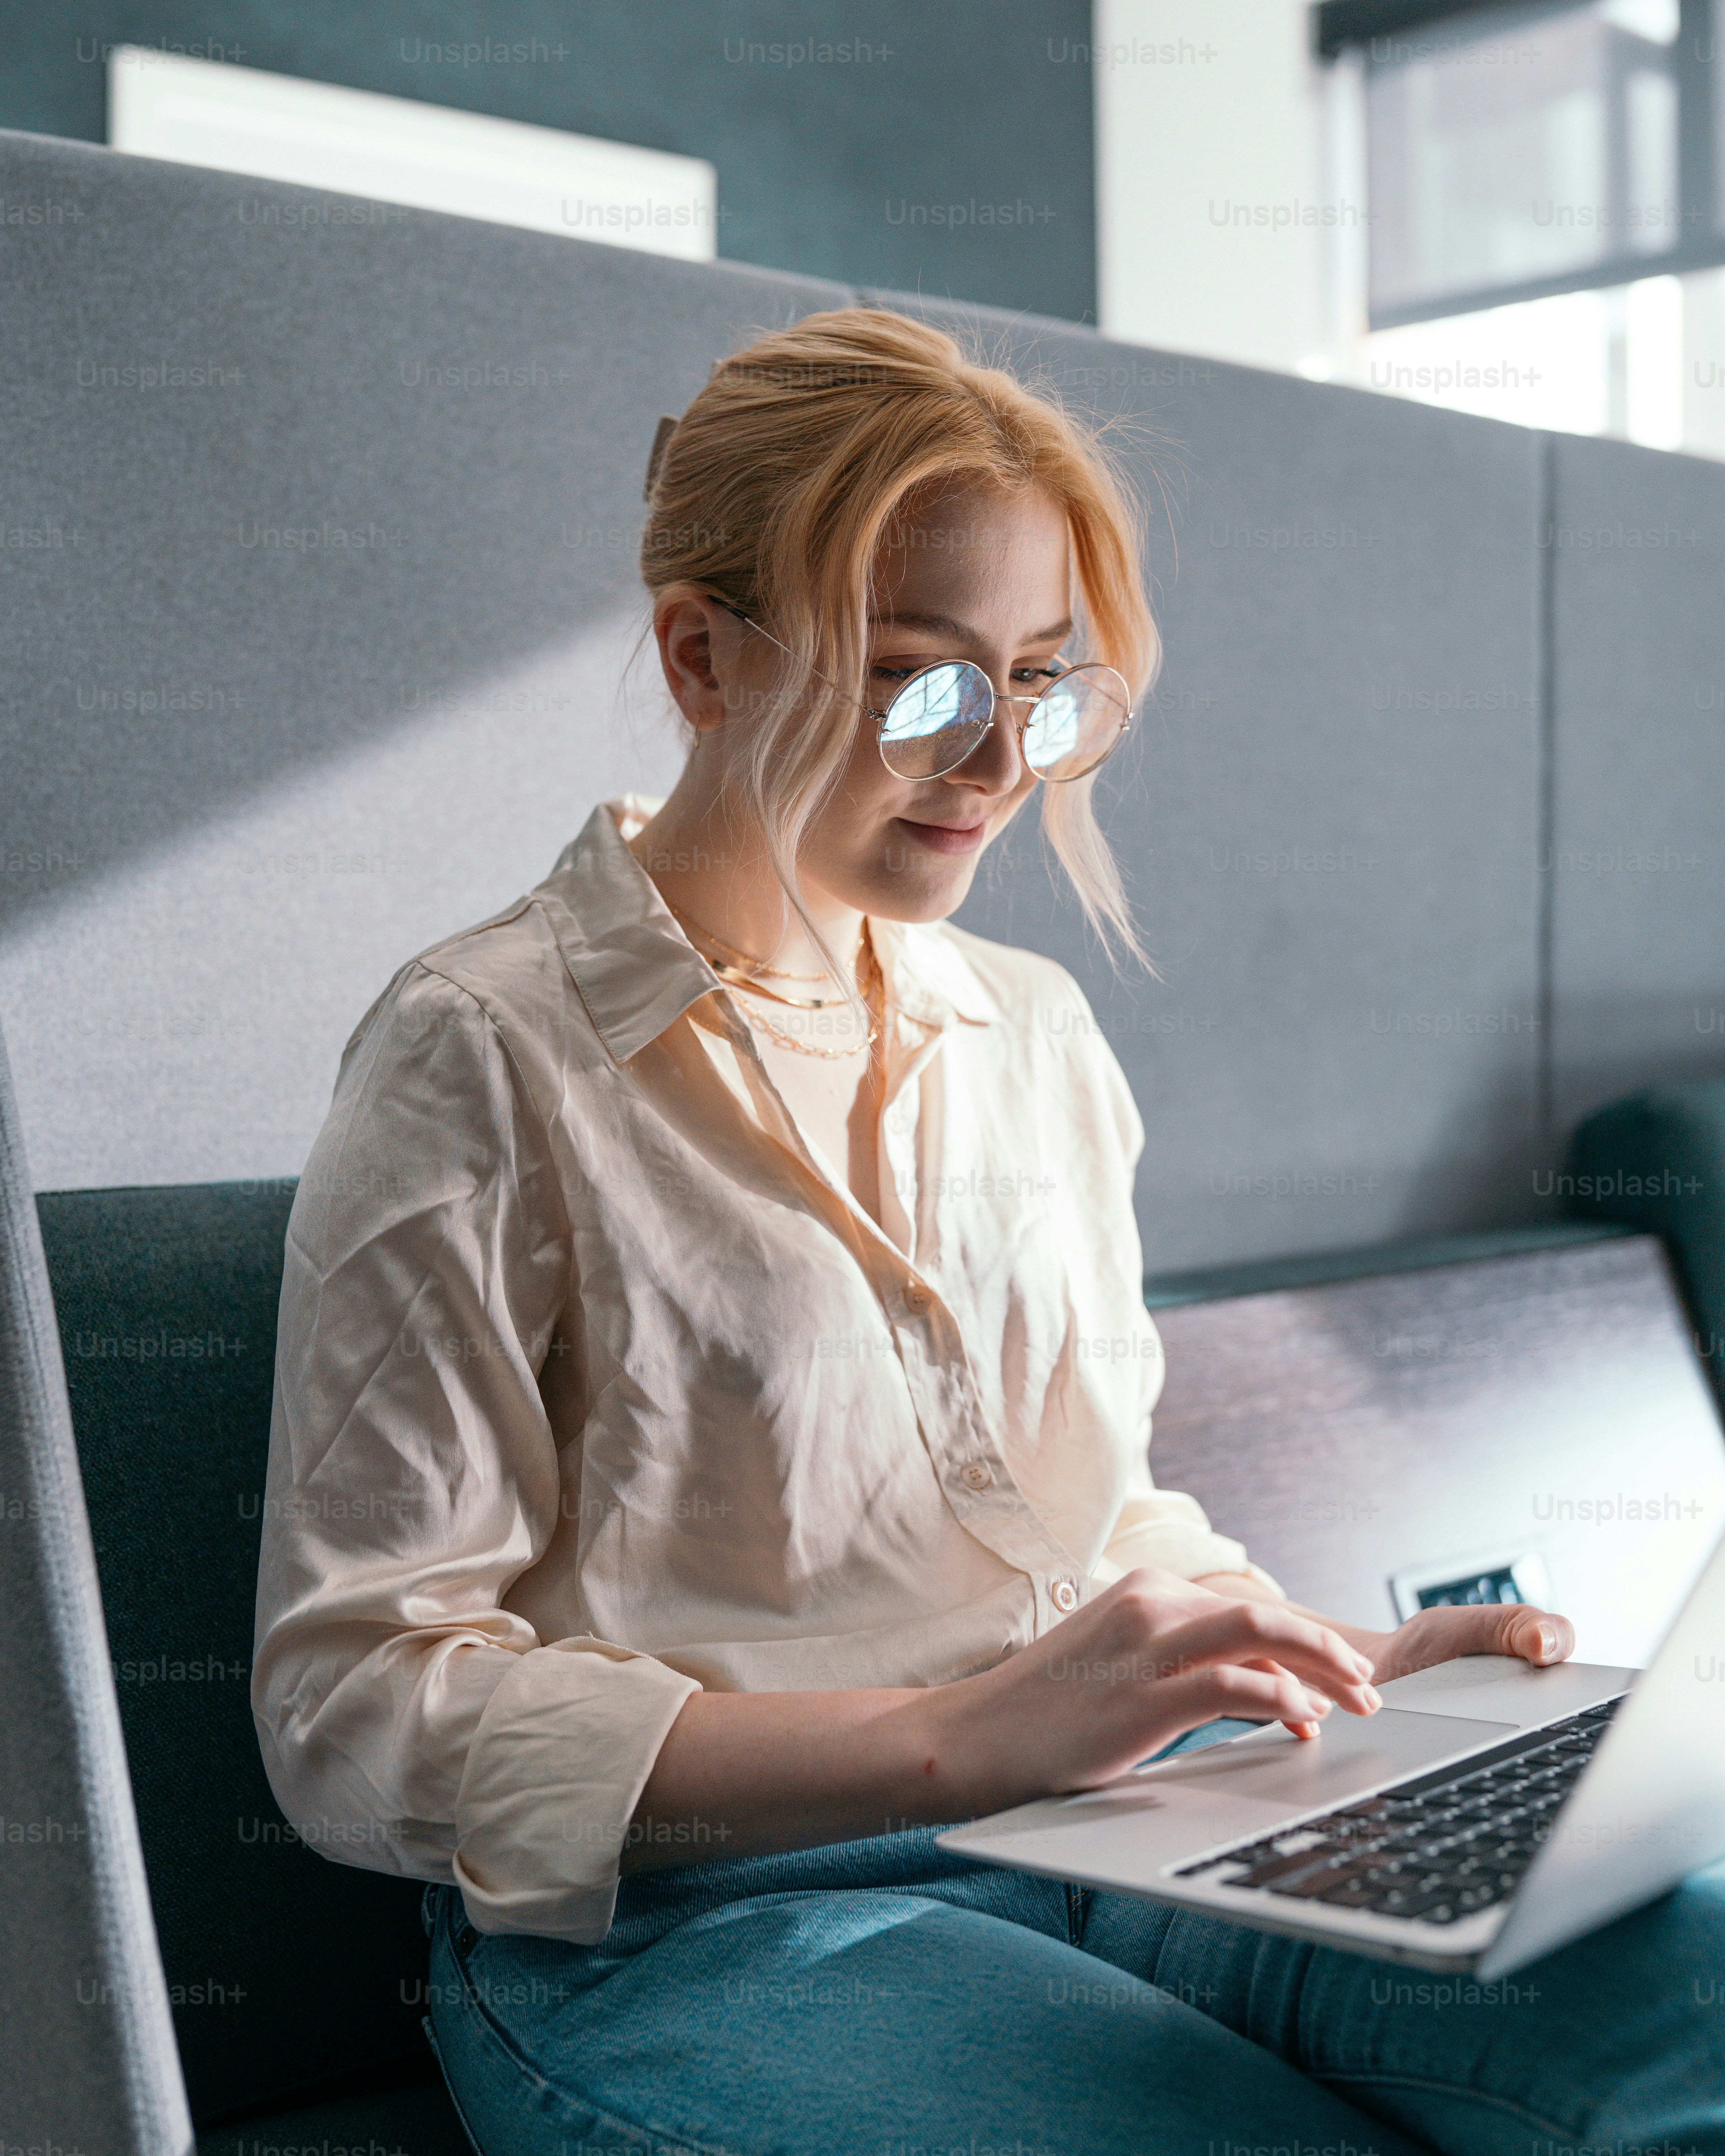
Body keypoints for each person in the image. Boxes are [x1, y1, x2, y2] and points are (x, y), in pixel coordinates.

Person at [253, 308, 1723, 2156]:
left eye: (1045, 680)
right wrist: (977, 1738)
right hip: (707, 1925)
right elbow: (352, 1714)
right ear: (701, 658)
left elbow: (1090, 1519)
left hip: (1147, 1811)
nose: (1002, 759)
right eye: (924, 679)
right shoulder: (479, 1052)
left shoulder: (1028, 1029)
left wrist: (1314, 1657)